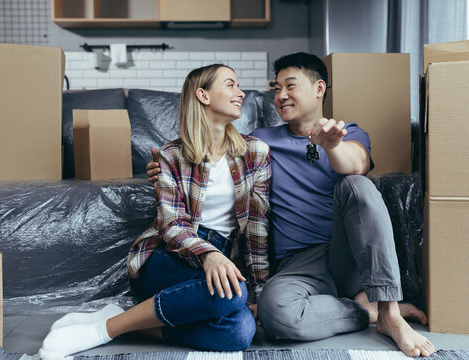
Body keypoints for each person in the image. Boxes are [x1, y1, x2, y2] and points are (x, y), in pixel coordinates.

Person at [147, 53, 435, 357]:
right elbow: (211, 149)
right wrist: (161, 168)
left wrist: (331, 146)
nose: (281, 95)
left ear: (319, 88)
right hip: (298, 265)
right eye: (276, 88)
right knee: (275, 314)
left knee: (357, 183)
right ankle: (366, 311)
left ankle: (390, 313)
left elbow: (356, 164)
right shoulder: (260, 142)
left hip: (347, 254)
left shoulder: (347, 132)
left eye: (290, 86)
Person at [38, 64, 271, 358]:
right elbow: (171, 225)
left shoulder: (256, 152)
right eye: (231, 85)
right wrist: (208, 254)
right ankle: (103, 330)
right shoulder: (169, 155)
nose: (241, 93)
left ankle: (128, 323)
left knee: (239, 332)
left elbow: (257, 229)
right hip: (170, 254)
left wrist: (259, 291)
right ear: (204, 95)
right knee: (232, 294)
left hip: (226, 254)